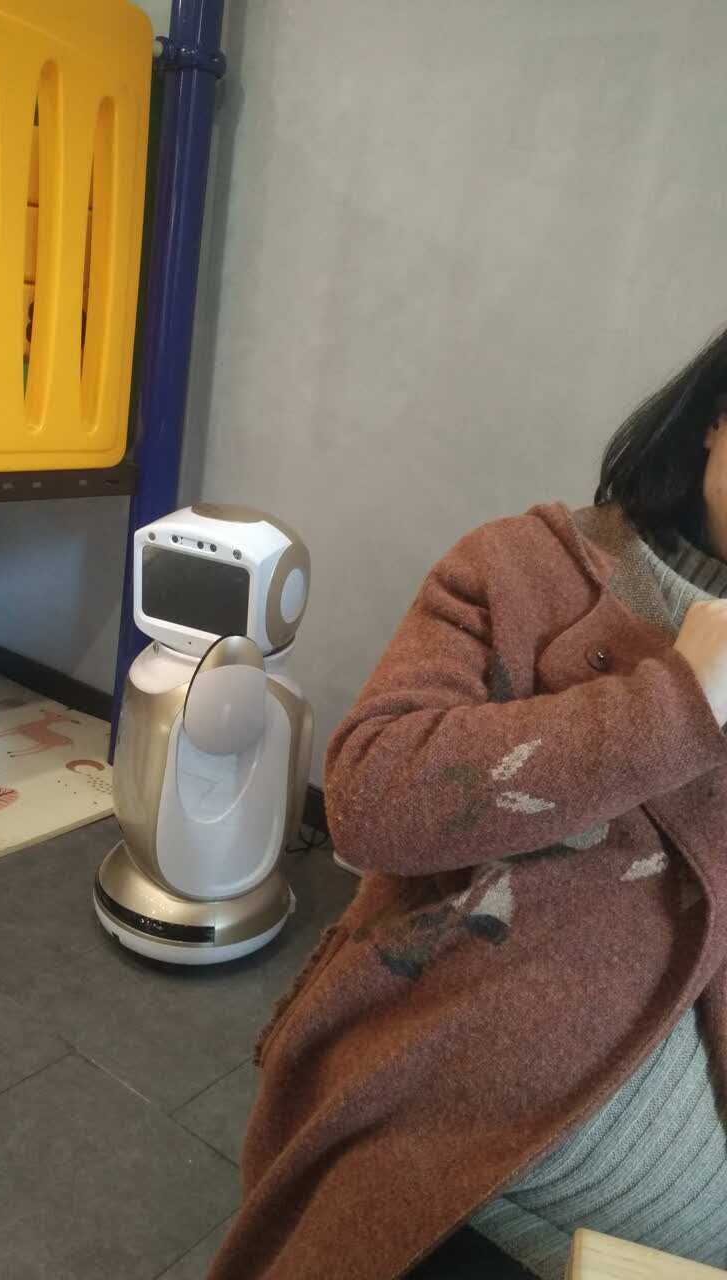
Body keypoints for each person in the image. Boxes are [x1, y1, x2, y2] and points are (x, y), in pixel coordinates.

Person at [206, 325, 727, 1280]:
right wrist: (678, 701)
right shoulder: (527, 572)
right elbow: (370, 796)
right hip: (484, 1147)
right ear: (715, 419)